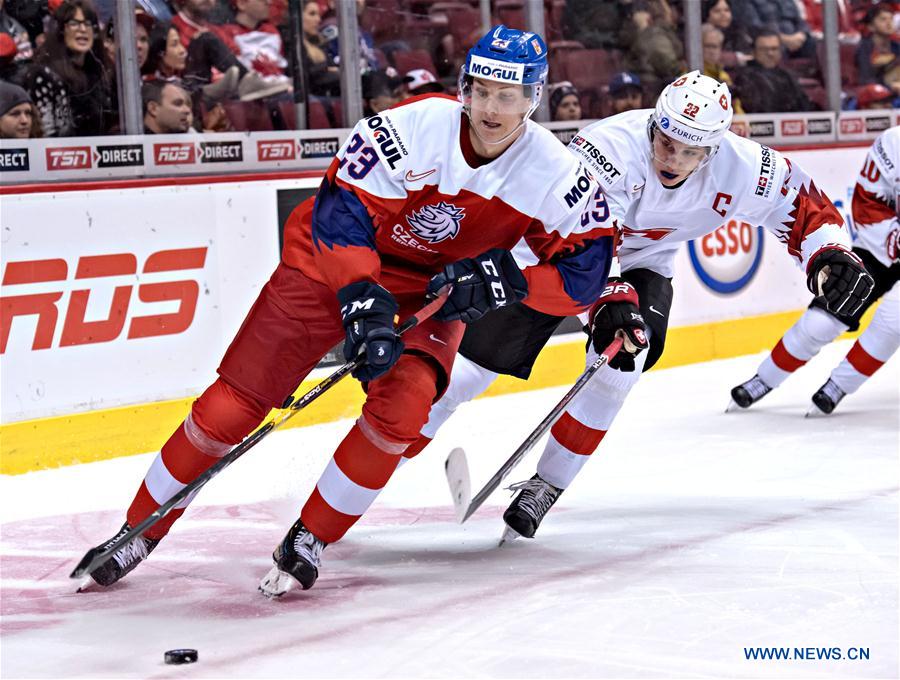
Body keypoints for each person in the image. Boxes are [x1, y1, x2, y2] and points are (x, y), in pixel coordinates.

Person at [80, 25, 619, 595]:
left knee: (403, 411)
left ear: (532, 99)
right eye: (481, 91)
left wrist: (504, 281)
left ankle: (310, 537)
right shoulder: (412, 129)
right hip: (327, 267)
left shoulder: (556, 173)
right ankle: (136, 530)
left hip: (430, 294)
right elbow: (340, 209)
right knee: (235, 404)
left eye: (506, 96)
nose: (489, 109)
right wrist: (360, 296)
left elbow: (584, 273)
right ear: (464, 87)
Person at [411, 71, 873, 541]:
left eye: (690, 152)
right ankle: (393, 447)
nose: (672, 158)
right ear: (654, 123)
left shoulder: (744, 166)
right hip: (559, 253)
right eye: (666, 141)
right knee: (467, 372)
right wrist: (609, 293)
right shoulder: (609, 145)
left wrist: (828, 252)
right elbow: (586, 234)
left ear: (713, 150)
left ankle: (547, 484)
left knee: (623, 359)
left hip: (645, 263)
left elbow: (804, 205)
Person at [730, 127, 897, 415]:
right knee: (822, 321)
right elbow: (868, 202)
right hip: (879, 245)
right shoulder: (894, 143)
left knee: (893, 321)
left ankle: (838, 386)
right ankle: (764, 379)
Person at [24, 0, 113, 137]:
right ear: (61, 30)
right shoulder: (44, 74)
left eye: (87, 24)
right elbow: (44, 134)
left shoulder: (100, 73)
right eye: (74, 23)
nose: (82, 29)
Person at [733, 29, 814, 112]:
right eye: (764, 49)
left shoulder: (787, 76)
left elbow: (803, 105)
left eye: (774, 49)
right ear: (753, 52)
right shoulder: (744, 78)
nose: (770, 53)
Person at [856, 3, 900, 95]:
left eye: (891, 19)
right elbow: (866, 79)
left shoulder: (897, 47)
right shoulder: (865, 48)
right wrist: (890, 87)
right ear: (871, 26)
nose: (889, 23)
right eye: (883, 19)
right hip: (875, 95)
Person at [701, 23, 745, 113]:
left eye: (715, 47)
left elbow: (736, 107)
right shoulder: (690, 73)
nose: (712, 51)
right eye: (707, 46)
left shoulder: (724, 76)